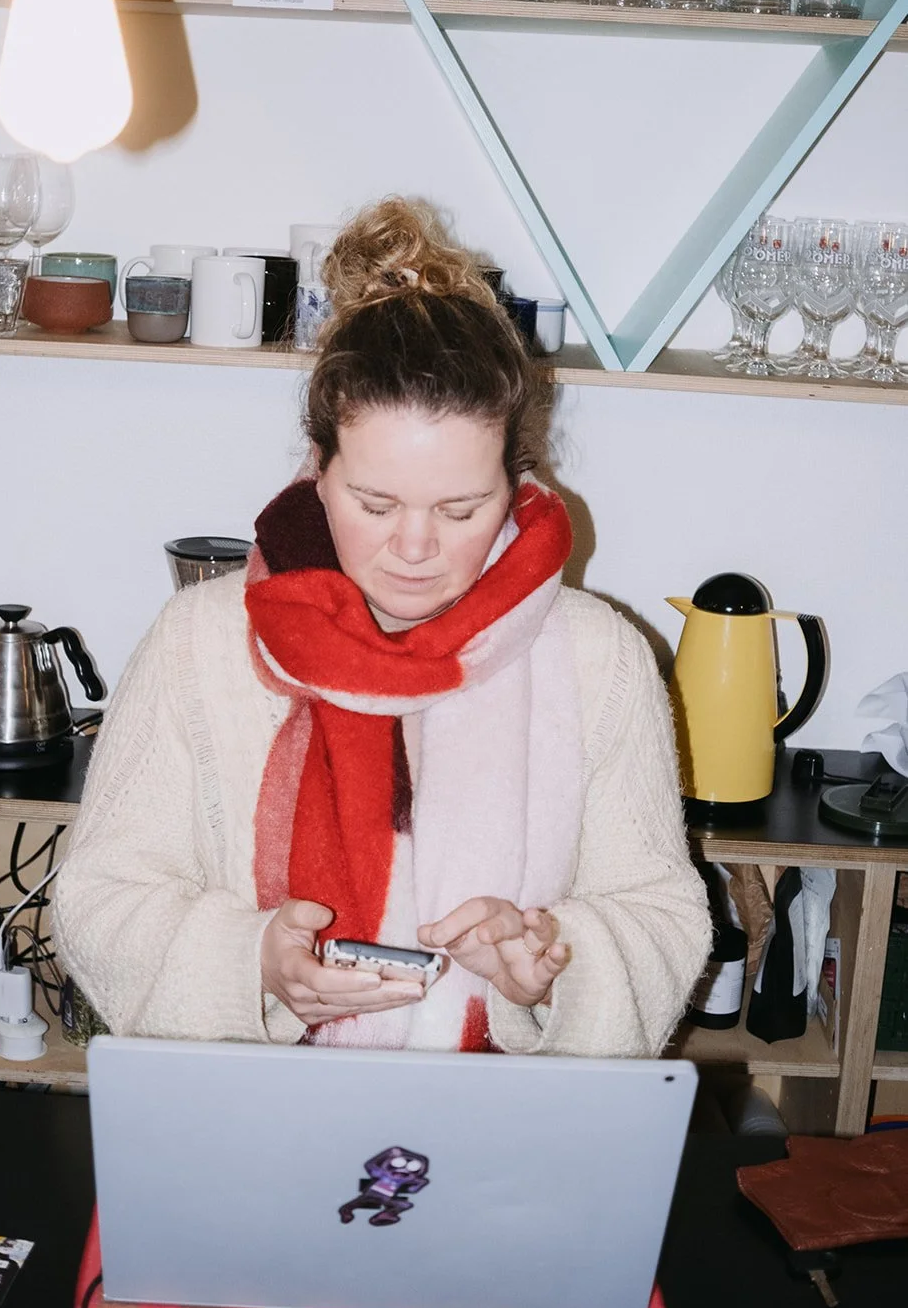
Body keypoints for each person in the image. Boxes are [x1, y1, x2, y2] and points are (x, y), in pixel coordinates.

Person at [53, 198, 710, 1056]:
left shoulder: (598, 658)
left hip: (499, 1135)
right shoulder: (199, 643)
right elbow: (102, 898)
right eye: (374, 502)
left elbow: (659, 915)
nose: (413, 548)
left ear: (517, 484)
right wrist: (252, 962)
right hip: (248, 1126)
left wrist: (549, 963)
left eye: (461, 508)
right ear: (317, 471)